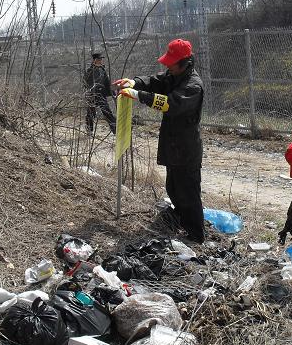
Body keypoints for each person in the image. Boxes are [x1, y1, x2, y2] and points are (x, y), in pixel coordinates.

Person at [114, 39, 205, 244]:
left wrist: (138, 95)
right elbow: (155, 81)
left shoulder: (192, 86)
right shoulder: (174, 75)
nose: (167, 66)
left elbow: (170, 104)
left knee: (189, 193)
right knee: (174, 187)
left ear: (184, 62)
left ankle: (195, 236)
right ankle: (181, 224)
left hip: (186, 148)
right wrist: (133, 82)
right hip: (173, 146)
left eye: (171, 63)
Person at [84, 52, 116, 134]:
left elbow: (107, 83)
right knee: (90, 114)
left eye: (101, 59)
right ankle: (89, 131)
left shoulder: (102, 70)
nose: (101, 61)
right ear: (95, 60)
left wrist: (113, 93)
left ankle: (115, 130)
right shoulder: (90, 71)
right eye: (99, 59)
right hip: (92, 95)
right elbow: (86, 82)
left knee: (108, 113)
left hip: (101, 95)